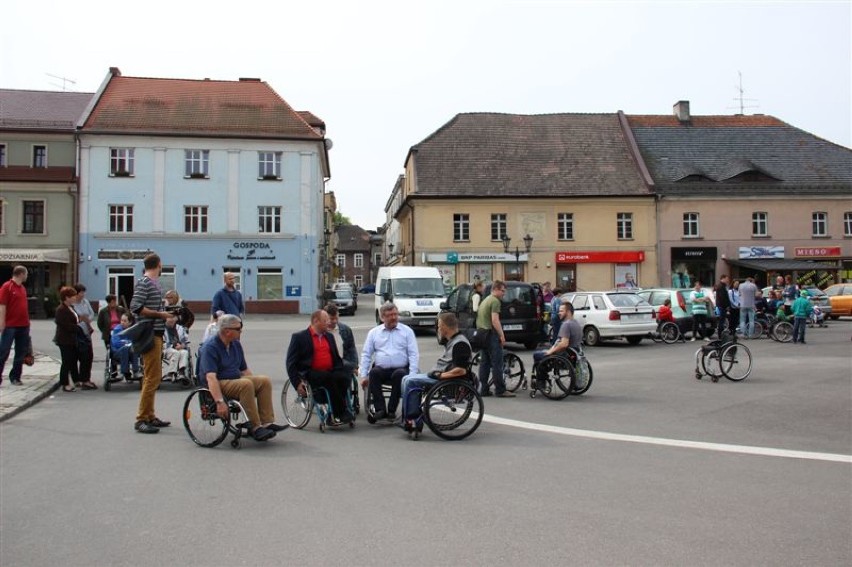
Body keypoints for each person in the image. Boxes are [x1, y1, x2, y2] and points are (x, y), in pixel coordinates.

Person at [200, 314, 284, 441]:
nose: (241, 331)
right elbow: (211, 377)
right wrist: (219, 402)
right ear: (227, 331)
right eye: (238, 329)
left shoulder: (236, 345)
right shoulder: (210, 347)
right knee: (245, 384)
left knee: (264, 381)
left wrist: (257, 386)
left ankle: (266, 422)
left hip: (235, 380)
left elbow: (244, 370)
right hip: (219, 382)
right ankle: (254, 427)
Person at [130, 253, 178, 434]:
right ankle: (142, 418)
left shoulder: (153, 283)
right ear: (159, 264)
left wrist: (165, 312)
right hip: (149, 333)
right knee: (152, 377)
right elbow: (136, 307)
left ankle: (150, 414)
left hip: (156, 332)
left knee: (154, 376)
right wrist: (160, 315)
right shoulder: (144, 282)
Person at [400, 312, 472, 430]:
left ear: (444, 327)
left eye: (439, 326)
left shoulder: (460, 344)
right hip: (440, 375)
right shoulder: (453, 340)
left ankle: (412, 418)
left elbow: (461, 371)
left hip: (446, 379)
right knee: (405, 378)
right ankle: (408, 414)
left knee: (410, 381)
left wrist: (441, 375)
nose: (438, 329)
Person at [286, 309, 354, 424]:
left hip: (329, 370)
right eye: (325, 320)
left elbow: (335, 358)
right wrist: (296, 383)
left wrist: (347, 368)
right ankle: (340, 412)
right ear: (316, 321)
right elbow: (290, 362)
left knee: (344, 377)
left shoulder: (329, 336)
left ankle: (334, 410)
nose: (329, 322)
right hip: (310, 372)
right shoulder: (299, 337)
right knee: (328, 377)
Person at [359, 302, 419, 421]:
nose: (394, 317)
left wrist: (412, 375)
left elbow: (413, 354)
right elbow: (366, 354)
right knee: (374, 373)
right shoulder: (374, 333)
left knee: (399, 375)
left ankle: (391, 410)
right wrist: (363, 375)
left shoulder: (407, 331)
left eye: (395, 314)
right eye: (390, 315)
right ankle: (380, 409)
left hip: (401, 369)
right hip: (381, 369)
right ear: (382, 317)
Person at [476, 280, 514, 397]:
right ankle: (500, 389)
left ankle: (484, 389)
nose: (503, 293)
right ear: (496, 289)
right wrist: (502, 335)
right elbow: (495, 320)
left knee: (484, 363)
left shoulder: (485, 300)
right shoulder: (495, 301)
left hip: (482, 334)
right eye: (502, 291)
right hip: (491, 334)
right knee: (497, 362)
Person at [0, 266, 31, 386]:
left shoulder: (22, 288)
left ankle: (15, 376)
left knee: (20, 352)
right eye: (26, 274)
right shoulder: (7, 287)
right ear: (21, 274)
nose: (27, 276)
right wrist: (2, 322)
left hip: (23, 325)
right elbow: (2, 305)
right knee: (4, 351)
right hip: (10, 325)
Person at [532, 301, 582, 369]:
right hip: (575, 355)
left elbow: (564, 344)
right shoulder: (576, 323)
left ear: (568, 312)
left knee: (537, 355)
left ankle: (542, 377)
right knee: (544, 350)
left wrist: (551, 351)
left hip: (564, 356)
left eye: (561, 311)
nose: (559, 313)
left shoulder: (566, 325)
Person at [53, 286, 82, 392]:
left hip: (72, 339)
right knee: (66, 361)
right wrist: (78, 328)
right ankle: (64, 383)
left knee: (73, 360)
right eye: (73, 296)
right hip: (64, 339)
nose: (75, 298)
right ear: (66, 297)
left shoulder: (71, 308)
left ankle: (76, 379)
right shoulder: (61, 310)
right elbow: (65, 325)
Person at [71, 283, 98, 390]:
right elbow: (73, 318)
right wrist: (79, 319)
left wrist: (88, 318)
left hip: (86, 332)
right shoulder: (72, 305)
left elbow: (92, 314)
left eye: (83, 292)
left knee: (88, 356)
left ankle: (85, 378)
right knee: (77, 356)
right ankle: (77, 379)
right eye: (81, 292)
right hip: (77, 332)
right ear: (76, 294)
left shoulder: (85, 302)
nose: (83, 294)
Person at [324, 304, 358, 375]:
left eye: (336, 318)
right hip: (325, 365)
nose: (334, 321)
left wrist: (354, 366)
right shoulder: (320, 331)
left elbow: (351, 349)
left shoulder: (345, 330)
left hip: (343, 364)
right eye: (331, 319)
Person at [110, 313, 142, 380]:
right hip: (117, 352)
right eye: (121, 320)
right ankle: (124, 371)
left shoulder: (132, 330)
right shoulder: (117, 330)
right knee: (126, 348)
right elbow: (116, 343)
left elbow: (136, 341)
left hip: (131, 352)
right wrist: (127, 343)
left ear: (130, 322)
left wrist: (126, 343)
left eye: (125, 321)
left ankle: (135, 371)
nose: (122, 322)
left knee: (134, 347)